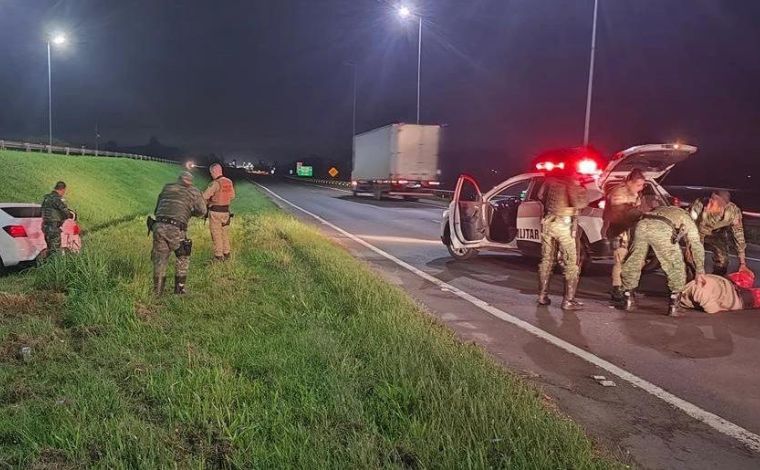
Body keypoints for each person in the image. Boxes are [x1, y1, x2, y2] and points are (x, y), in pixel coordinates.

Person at [619, 205, 706, 315]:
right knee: (675, 265)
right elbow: (696, 245)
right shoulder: (686, 218)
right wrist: (700, 270)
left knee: (634, 260)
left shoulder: (663, 209)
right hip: (661, 229)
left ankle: (628, 299)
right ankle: (674, 306)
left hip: (641, 225)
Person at [537, 164, 589, 310]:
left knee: (547, 259)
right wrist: (581, 188)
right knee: (571, 262)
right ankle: (568, 301)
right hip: (564, 224)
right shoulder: (571, 183)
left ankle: (542, 295)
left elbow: (540, 195)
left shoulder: (550, 181)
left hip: (548, 221)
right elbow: (579, 203)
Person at [150, 171, 206, 295]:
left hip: (158, 225)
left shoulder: (167, 187)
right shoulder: (193, 191)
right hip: (176, 227)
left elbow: (157, 208)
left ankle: (158, 292)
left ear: (178, 179)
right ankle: (179, 289)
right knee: (183, 255)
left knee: (160, 258)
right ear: (190, 181)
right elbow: (202, 211)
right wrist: (189, 212)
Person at [603, 169, 646, 300]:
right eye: (638, 185)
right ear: (630, 182)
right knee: (620, 261)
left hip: (630, 231)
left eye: (642, 185)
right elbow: (619, 213)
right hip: (619, 231)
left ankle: (628, 287)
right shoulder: (618, 192)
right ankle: (617, 289)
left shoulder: (634, 193)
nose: (641, 188)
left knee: (634, 261)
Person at [688, 190, 748, 276]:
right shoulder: (699, 205)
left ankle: (717, 281)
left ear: (723, 207)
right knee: (691, 259)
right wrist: (689, 248)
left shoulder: (733, 212)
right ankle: (692, 281)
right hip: (695, 232)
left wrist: (743, 263)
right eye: (710, 200)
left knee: (723, 260)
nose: (709, 205)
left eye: (713, 203)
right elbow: (689, 226)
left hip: (716, 234)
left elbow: (739, 235)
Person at [679, 270, 760, 313]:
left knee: (747, 275)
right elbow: (711, 309)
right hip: (735, 297)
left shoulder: (691, 287)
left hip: (727, 283)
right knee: (755, 294)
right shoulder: (696, 291)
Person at [202, 163, 236, 261]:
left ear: (214, 171)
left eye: (211, 173)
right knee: (224, 233)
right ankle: (227, 253)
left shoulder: (215, 183)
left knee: (216, 234)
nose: (211, 175)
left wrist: (211, 201)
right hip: (226, 212)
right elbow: (232, 196)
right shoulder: (229, 182)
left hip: (215, 213)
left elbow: (205, 196)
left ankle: (218, 256)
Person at [40, 181, 75, 256]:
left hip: (45, 227)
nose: (64, 193)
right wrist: (71, 215)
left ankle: (47, 264)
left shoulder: (47, 198)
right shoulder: (57, 199)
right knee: (55, 252)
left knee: (50, 249)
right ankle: (52, 266)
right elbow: (65, 211)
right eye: (64, 191)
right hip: (54, 228)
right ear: (62, 189)